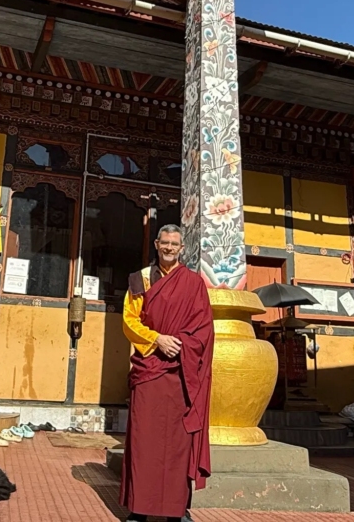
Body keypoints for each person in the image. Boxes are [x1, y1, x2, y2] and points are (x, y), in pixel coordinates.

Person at [120, 223, 214, 522]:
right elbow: (128, 322)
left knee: (177, 444)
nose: (169, 248)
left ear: (181, 248)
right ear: (157, 245)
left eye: (175, 244)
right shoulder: (141, 280)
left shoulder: (194, 283)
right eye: (165, 243)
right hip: (150, 370)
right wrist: (156, 339)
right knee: (144, 440)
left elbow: (203, 329)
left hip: (181, 375)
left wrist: (182, 344)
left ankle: (176, 509)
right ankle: (139, 508)